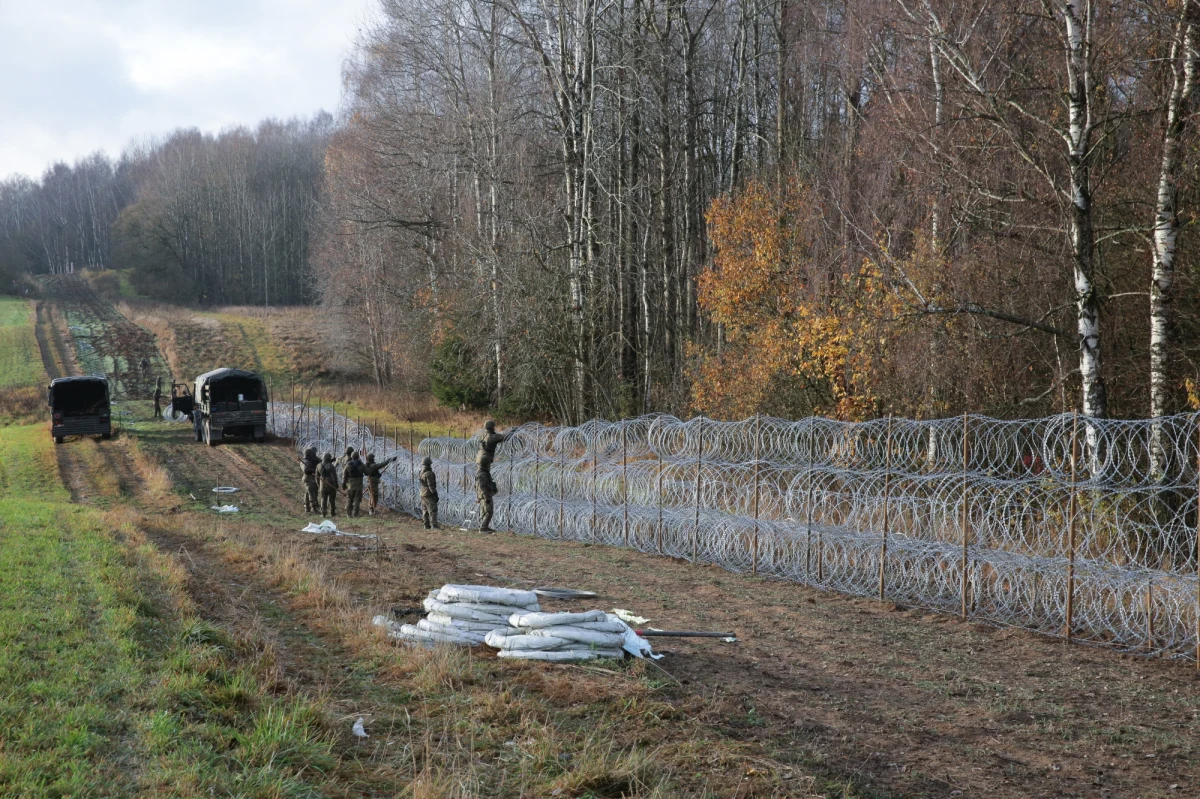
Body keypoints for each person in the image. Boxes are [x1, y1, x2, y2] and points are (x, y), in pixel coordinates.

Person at [342, 451, 366, 517]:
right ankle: (355, 514)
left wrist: (343, 484)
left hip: (350, 485)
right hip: (359, 484)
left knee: (350, 499)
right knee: (357, 500)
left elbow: (344, 475)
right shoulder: (361, 465)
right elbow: (367, 472)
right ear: (358, 456)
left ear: (352, 457)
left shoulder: (348, 465)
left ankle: (348, 514)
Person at [475, 468, 498, 533]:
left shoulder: (481, 474)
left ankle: (483, 527)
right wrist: (486, 497)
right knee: (488, 512)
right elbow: (482, 487)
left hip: (483, 496)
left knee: (484, 513)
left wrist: (479, 497)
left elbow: (478, 487)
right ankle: (483, 528)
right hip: (486, 496)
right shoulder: (483, 474)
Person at [419, 456, 439, 529]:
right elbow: (431, 486)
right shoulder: (429, 474)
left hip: (422, 492)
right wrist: (435, 494)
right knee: (433, 509)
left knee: (425, 510)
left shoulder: (421, 472)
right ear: (429, 464)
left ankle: (426, 525)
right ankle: (434, 525)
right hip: (428, 493)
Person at [299, 446, 320, 513]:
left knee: (309, 493)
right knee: (311, 493)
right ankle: (313, 508)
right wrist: (313, 470)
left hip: (313, 479)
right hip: (308, 479)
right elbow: (306, 470)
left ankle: (307, 508)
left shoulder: (312, 460)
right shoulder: (304, 461)